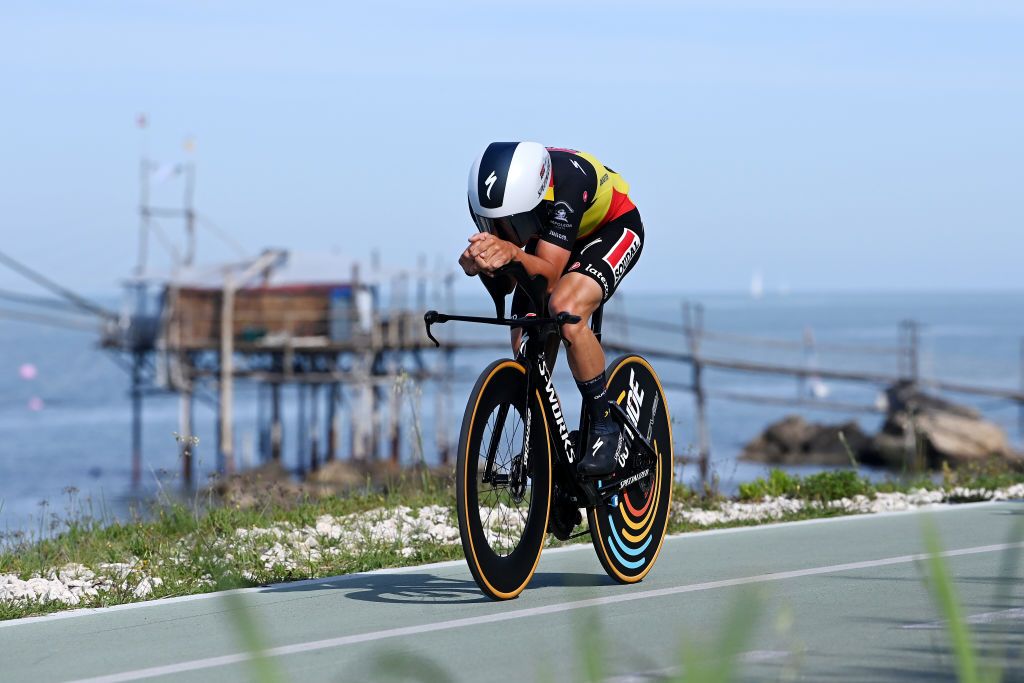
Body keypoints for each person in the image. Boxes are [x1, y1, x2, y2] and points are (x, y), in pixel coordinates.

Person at [461, 141, 644, 477]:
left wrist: (512, 254)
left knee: (565, 309)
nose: (501, 232)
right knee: (525, 341)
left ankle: (606, 427)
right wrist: (483, 265)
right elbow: (507, 287)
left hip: (612, 228)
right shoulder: (511, 200)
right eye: (492, 225)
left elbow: (549, 273)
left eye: (507, 225)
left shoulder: (567, 183)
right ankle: (552, 448)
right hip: (551, 240)